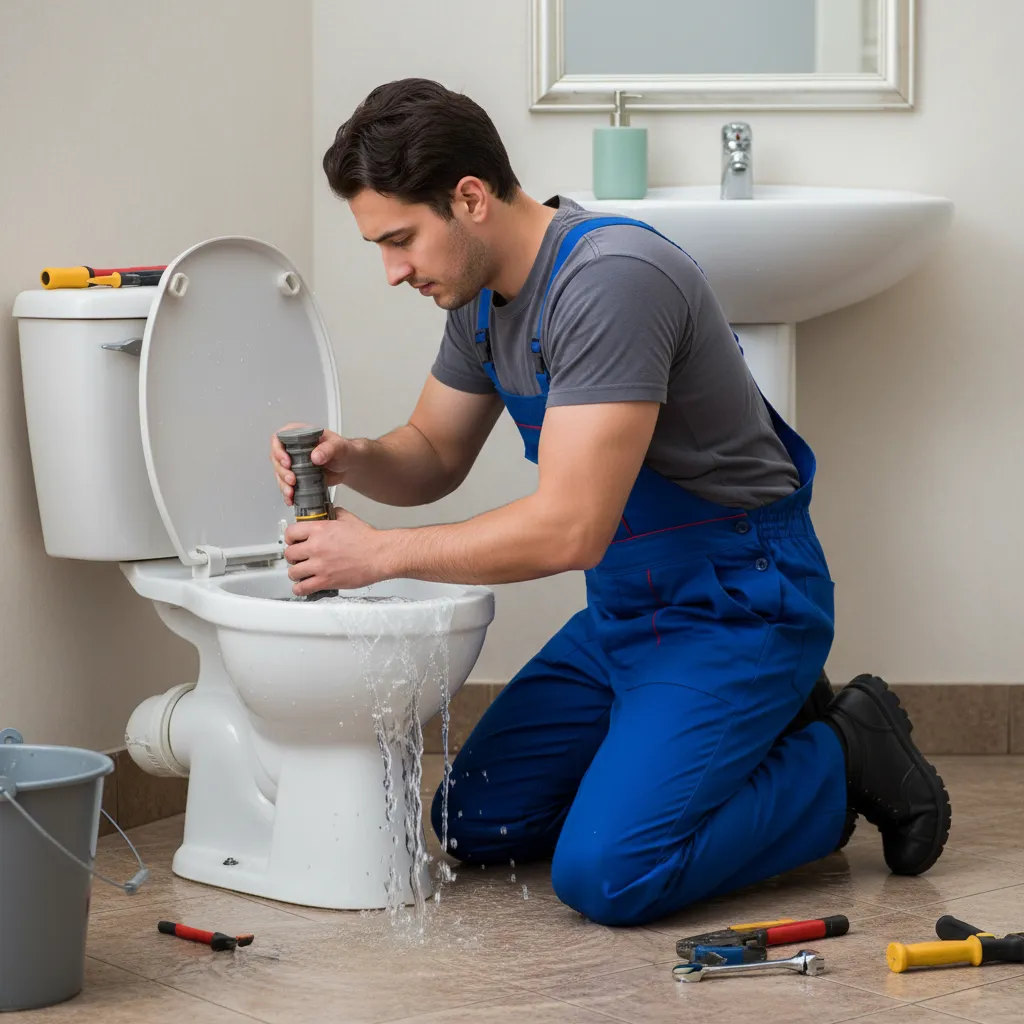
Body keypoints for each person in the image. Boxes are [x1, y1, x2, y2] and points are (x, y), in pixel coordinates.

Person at [270, 78, 951, 928]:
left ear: (470, 198)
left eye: (401, 240)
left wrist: (379, 556)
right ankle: (732, 732)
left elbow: (572, 528)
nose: (393, 271)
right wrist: (354, 460)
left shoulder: (611, 280)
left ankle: (843, 756)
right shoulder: (478, 301)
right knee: (474, 821)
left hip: (738, 602)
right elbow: (434, 453)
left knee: (610, 874)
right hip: (628, 611)